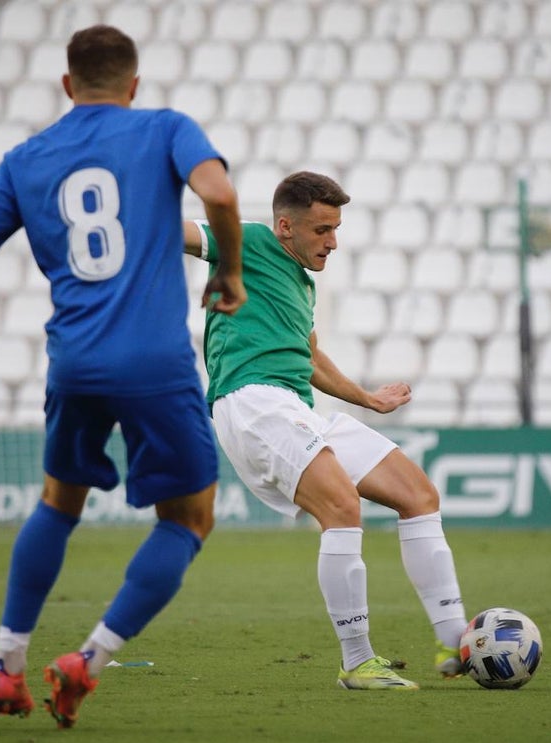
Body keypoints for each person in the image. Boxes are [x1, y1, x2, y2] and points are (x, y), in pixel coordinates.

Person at [0, 25, 245, 728]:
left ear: (67, 85)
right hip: (156, 365)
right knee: (190, 517)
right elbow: (220, 195)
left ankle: (5, 665)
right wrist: (228, 270)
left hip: (73, 362)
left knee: (57, 504)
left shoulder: (26, 157)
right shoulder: (165, 128)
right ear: (133, 86)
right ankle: (88, 658)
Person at [183, 171, 467, 690]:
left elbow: (308, 355)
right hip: (251, 402)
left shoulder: (300, 282)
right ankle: (357, 661)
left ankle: (456, 641)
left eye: (336, 229)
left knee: (418, 494)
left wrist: (367, 399)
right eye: (322, 230)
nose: (333, 242)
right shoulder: (247, 241)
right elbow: (178, 232)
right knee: (341, 505)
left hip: (295, 405)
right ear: (286, 227)